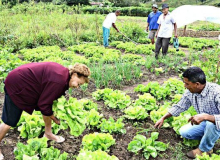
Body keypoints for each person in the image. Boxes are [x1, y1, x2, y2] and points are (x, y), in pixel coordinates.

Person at [0, 62, 91, 160]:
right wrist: (55, 119)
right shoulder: (59, 81)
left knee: (47, 107)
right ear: (74, 74)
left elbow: (47, 102)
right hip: (17, 85)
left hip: (23, 81)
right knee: (9, 121)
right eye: (79, 83)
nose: (77, 87)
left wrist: (51, 111)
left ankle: (48, 133)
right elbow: (43, 104)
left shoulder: (64, 75)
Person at [154, 67, 220, 158]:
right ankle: (209, 136)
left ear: (197, 84)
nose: (185, 86)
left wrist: (206, 117)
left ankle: (205, 149)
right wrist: (163, 117)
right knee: (184, 132)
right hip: (206, 122)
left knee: (211, 125)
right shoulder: (190, 92)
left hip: (216, 124)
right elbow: (180, 106)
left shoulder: (216, 92)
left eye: (187, 83)